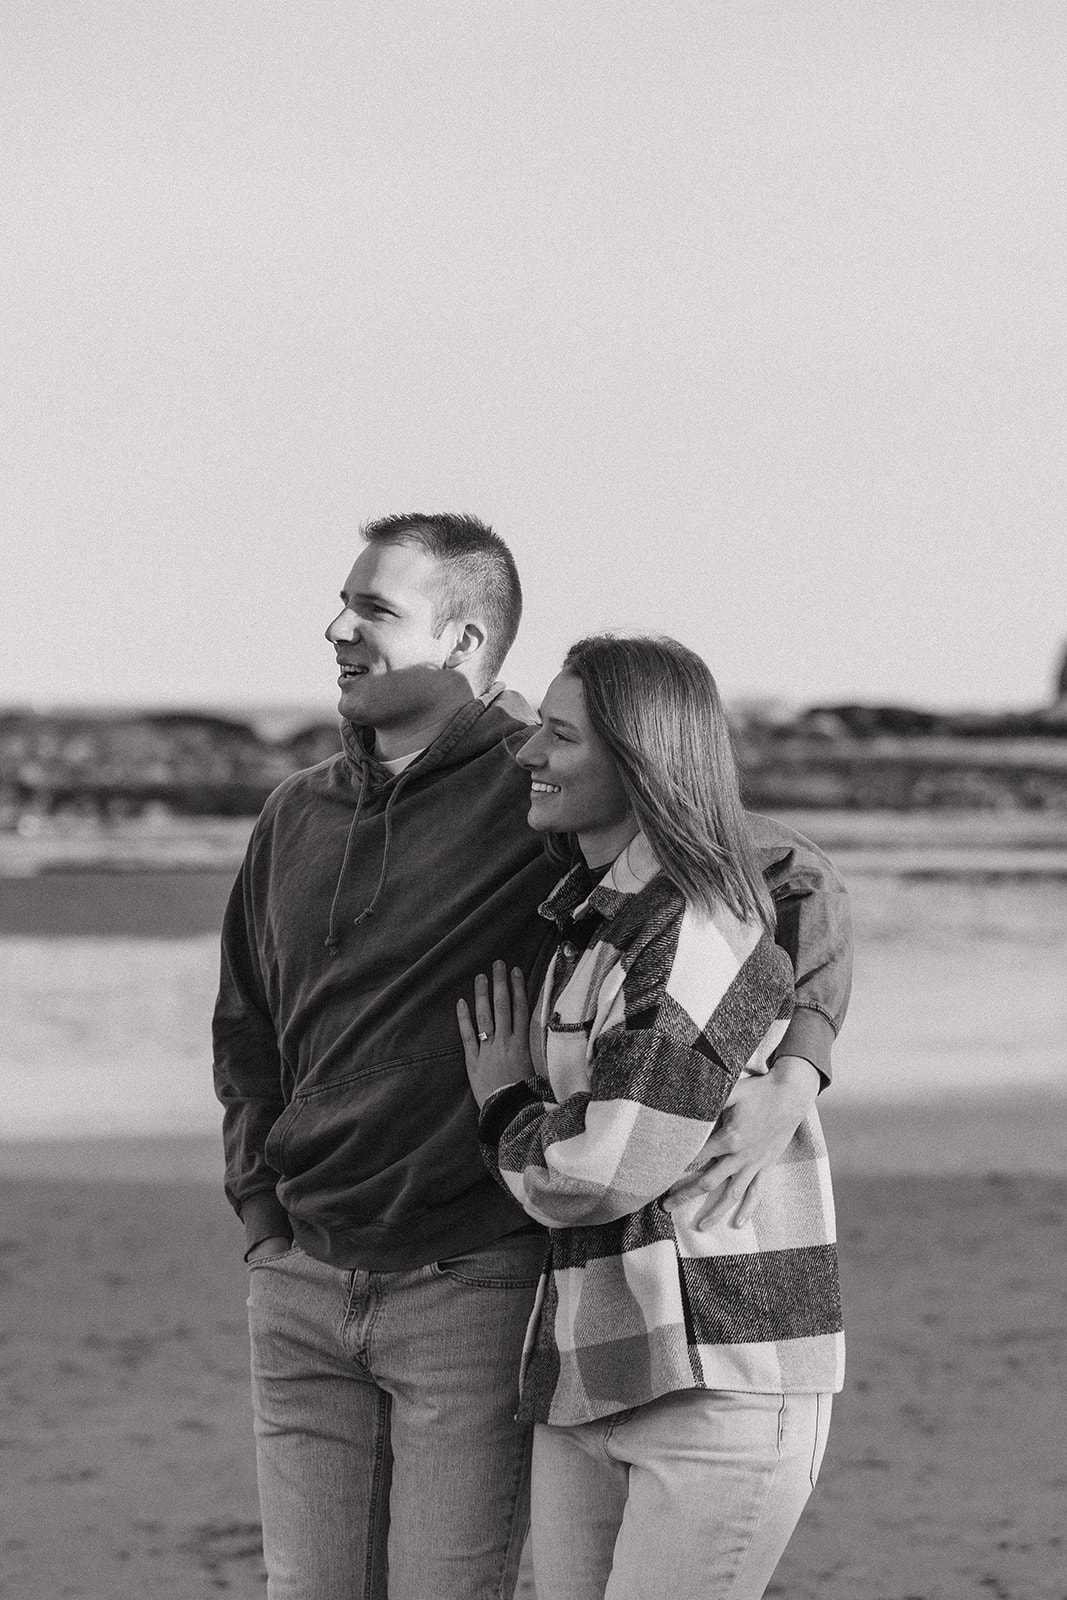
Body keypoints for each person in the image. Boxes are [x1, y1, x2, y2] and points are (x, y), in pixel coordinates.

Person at [212, 513, 852, 1600]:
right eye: (344, 602)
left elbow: (792, 882)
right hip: (302, 1280)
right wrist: (260, 1210)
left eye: (375, 609)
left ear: (462, 643)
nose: (337, 629)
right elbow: (246, 1027)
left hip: (465, 1280)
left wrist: (796, 1071)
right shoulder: (293, 812)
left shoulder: (540, 778)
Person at [459, 634, 844, 1600]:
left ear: (638, 760)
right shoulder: (596, 920)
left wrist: (502, 1101)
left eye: (558, 737)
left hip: (715, 1364)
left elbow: (600, 1172)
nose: (528, 756)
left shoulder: (690, 928)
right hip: (592, 1366)